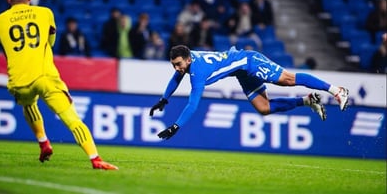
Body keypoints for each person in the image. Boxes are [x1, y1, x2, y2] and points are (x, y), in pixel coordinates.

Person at [0, 0, 118, 170]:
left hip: (19, 82)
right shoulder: (45, 13)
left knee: (29, 104)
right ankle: (95, 158)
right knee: (72, 119)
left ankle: (43, 143)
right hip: (46, 77)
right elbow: (50, 42)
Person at [149, 45, 349, 140]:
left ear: (188, 59)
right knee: (264, 108)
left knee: (288, 80)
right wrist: (164, 99)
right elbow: (176, 78)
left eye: (178, 64)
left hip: (249, 62)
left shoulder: (197, 73)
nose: (176, 68)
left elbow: (193, 104)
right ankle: (307, 101)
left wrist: (175, 127)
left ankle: (336, 90)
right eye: (173, 65)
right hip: (241, 72)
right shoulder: (191, 58)